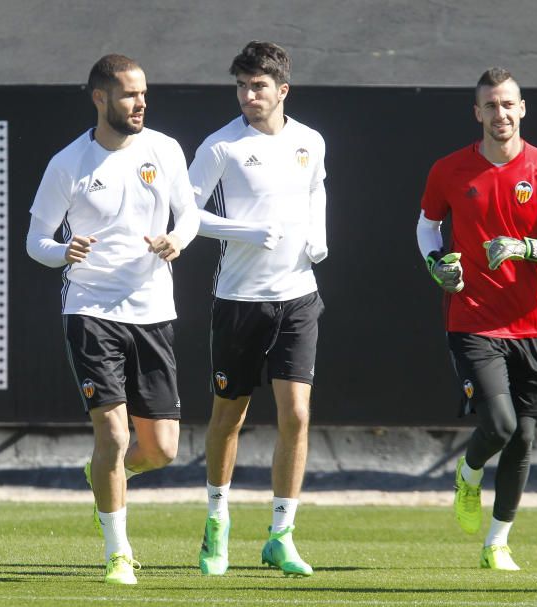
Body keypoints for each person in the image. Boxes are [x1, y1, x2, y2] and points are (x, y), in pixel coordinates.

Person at [25, 54, 199, 585]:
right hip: (91, 310)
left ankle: (101, 473)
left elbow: (188, 214)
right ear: (100, 98)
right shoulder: (67, 164)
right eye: (128, 94)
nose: (140, 102)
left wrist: (178, 239)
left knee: (162, 450)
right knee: (115, 436)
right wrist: (63, 252)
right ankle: (118, 552)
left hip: (153, 311)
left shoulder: (164, 149)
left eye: (143, 93)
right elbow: (36, 242)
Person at [417, 67, 537, 570]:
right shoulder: (449, 169)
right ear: (477, 113)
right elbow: (427, 228)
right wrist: (436, 265)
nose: (501, 114)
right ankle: (468, 475)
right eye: (490, 106)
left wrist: (526, 247)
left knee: (525, 437)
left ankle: (496, 543)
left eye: (508, 104)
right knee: (499, 424)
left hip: (531, 325)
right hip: (470, 319)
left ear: (522, 108)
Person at [188, 41, 328, 577]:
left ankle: (281, 535)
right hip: (239, 302)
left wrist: (319, 236)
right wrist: (246, 231)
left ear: (282, 90)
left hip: (298, 297)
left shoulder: (310, 141)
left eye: (258, 86)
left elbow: (317, 190)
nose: (248, 95)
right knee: (230, 416)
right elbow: (186, 214)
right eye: (242, 86)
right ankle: (217, 526)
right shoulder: (220, 147)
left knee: (296, 414)